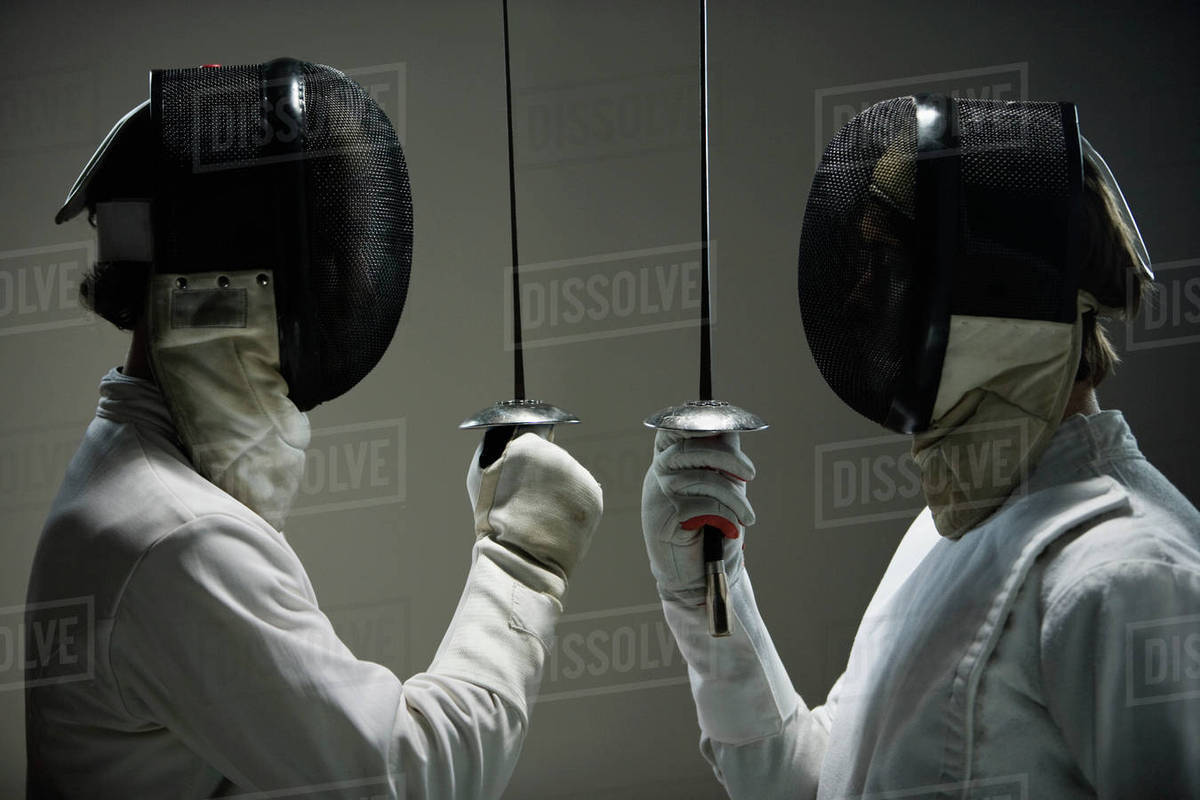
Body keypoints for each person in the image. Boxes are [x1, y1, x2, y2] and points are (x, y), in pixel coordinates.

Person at [25, 58, 603, 799]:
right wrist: (523, 560)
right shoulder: (177, 539)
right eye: (323, 266)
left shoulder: (129, 479)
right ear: (231, 292)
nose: (337, 290)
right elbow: (412, 779)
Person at [641, 95, 1200, 798]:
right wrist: (706, 593)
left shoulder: (1129, 577)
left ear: (998, 294)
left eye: (890, 263)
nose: (860, 297)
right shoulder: (949, 535)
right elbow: (825, 784)